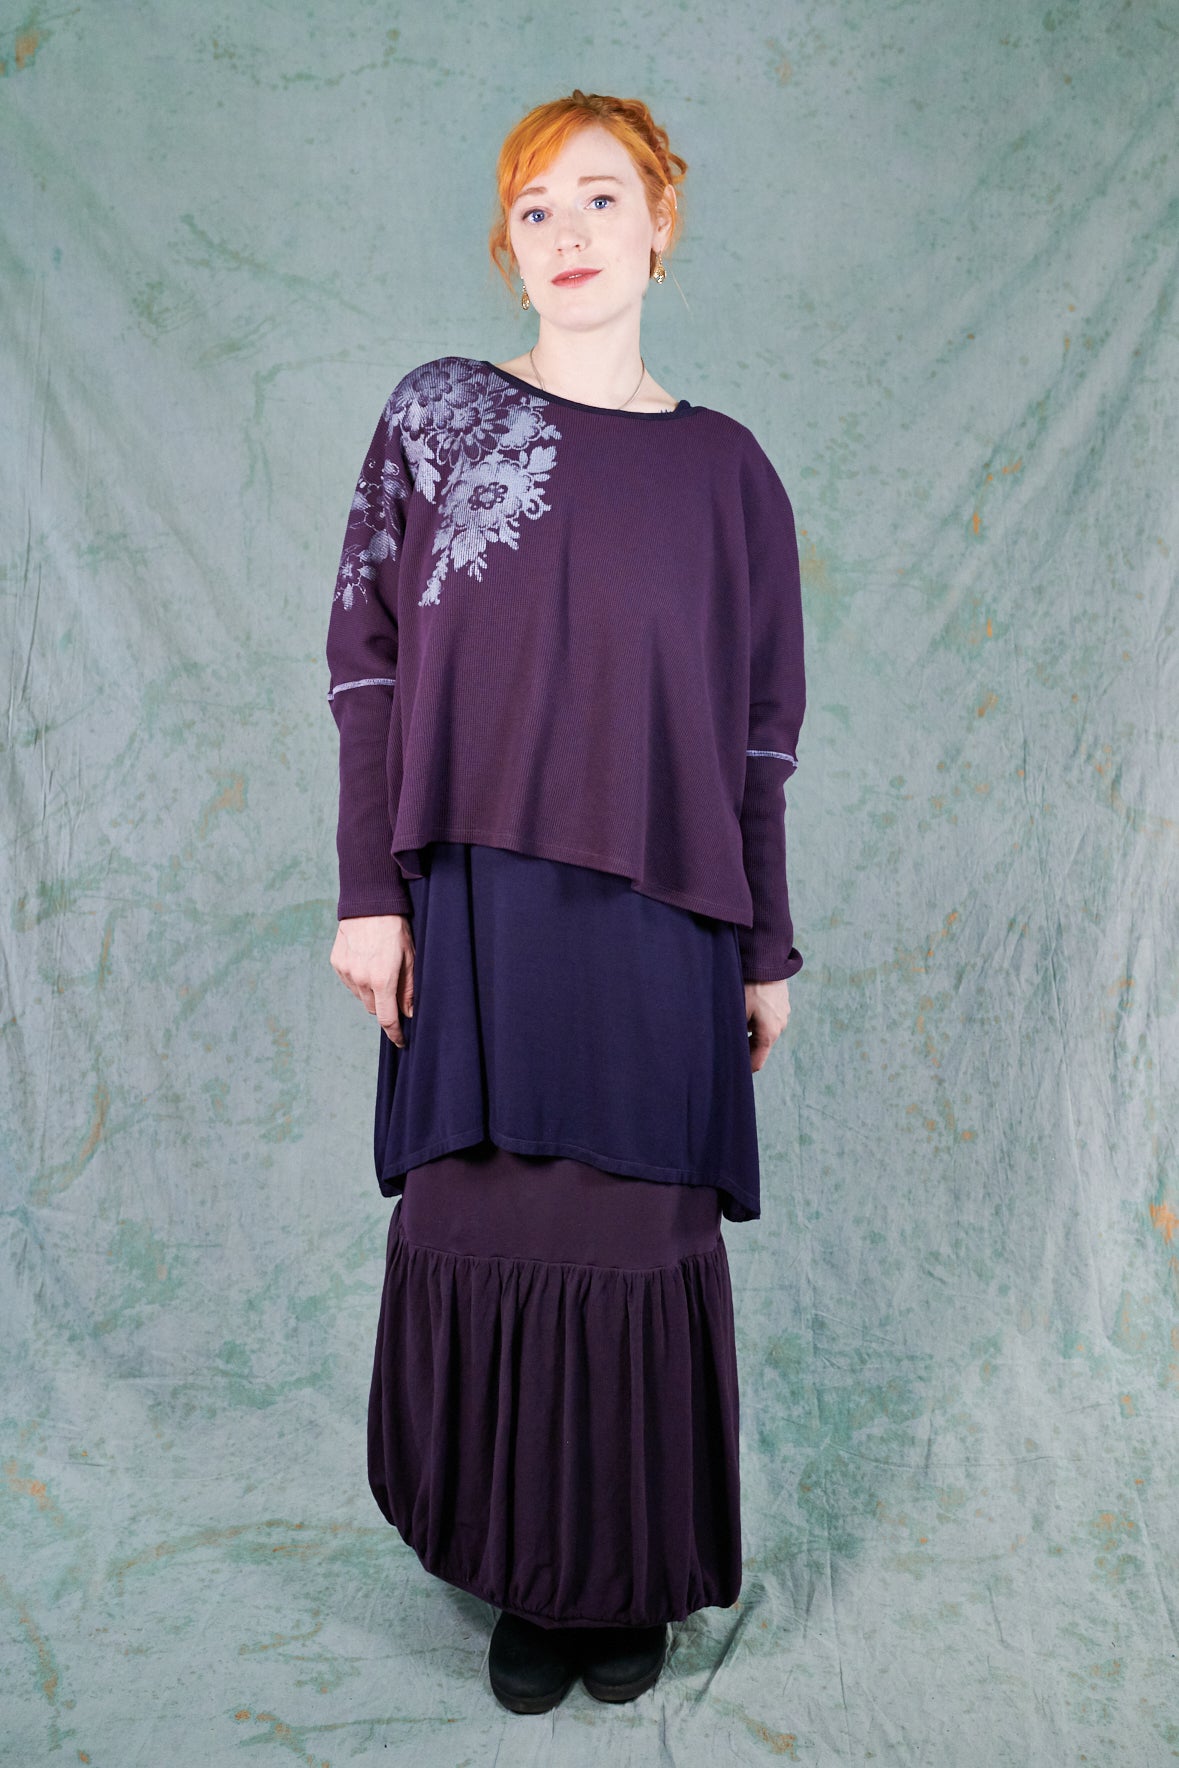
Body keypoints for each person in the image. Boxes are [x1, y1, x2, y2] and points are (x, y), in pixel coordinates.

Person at [325, 88, 806, 1716]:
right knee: (484, 1218)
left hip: (667, 925)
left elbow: (761, 735)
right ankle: (525, 1575)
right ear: (506, 247)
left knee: (634, 1238)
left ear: (661, 222)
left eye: (601, 197)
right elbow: (366, 663)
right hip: (472, 904)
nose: (569, 233)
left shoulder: (731, 475)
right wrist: (369, 892)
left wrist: (766, 946)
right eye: (535, 208)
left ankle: (627, 1579)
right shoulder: (437, 416)